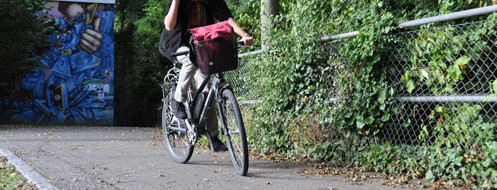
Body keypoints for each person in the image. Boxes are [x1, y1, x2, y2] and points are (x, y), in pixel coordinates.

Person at [159, 0, 253, 152]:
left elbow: (226, 18)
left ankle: (213, 136)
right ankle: (178, 100)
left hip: (201, 45)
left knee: (208, 88)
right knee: (190, 60)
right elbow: (169, 26)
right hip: (177, 45)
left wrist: (244, 35)